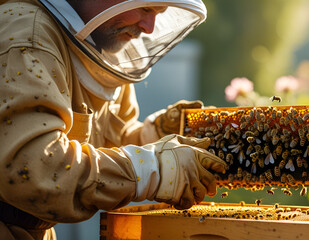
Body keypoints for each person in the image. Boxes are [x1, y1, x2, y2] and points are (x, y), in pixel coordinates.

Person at [0, 0, 227, 239]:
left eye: (159, 13)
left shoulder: (101, 48)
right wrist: (153, 168)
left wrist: (154, 135)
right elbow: (33, 167)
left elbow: (107, 145)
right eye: (146, 8)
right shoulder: (27, 34)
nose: (149, 28)